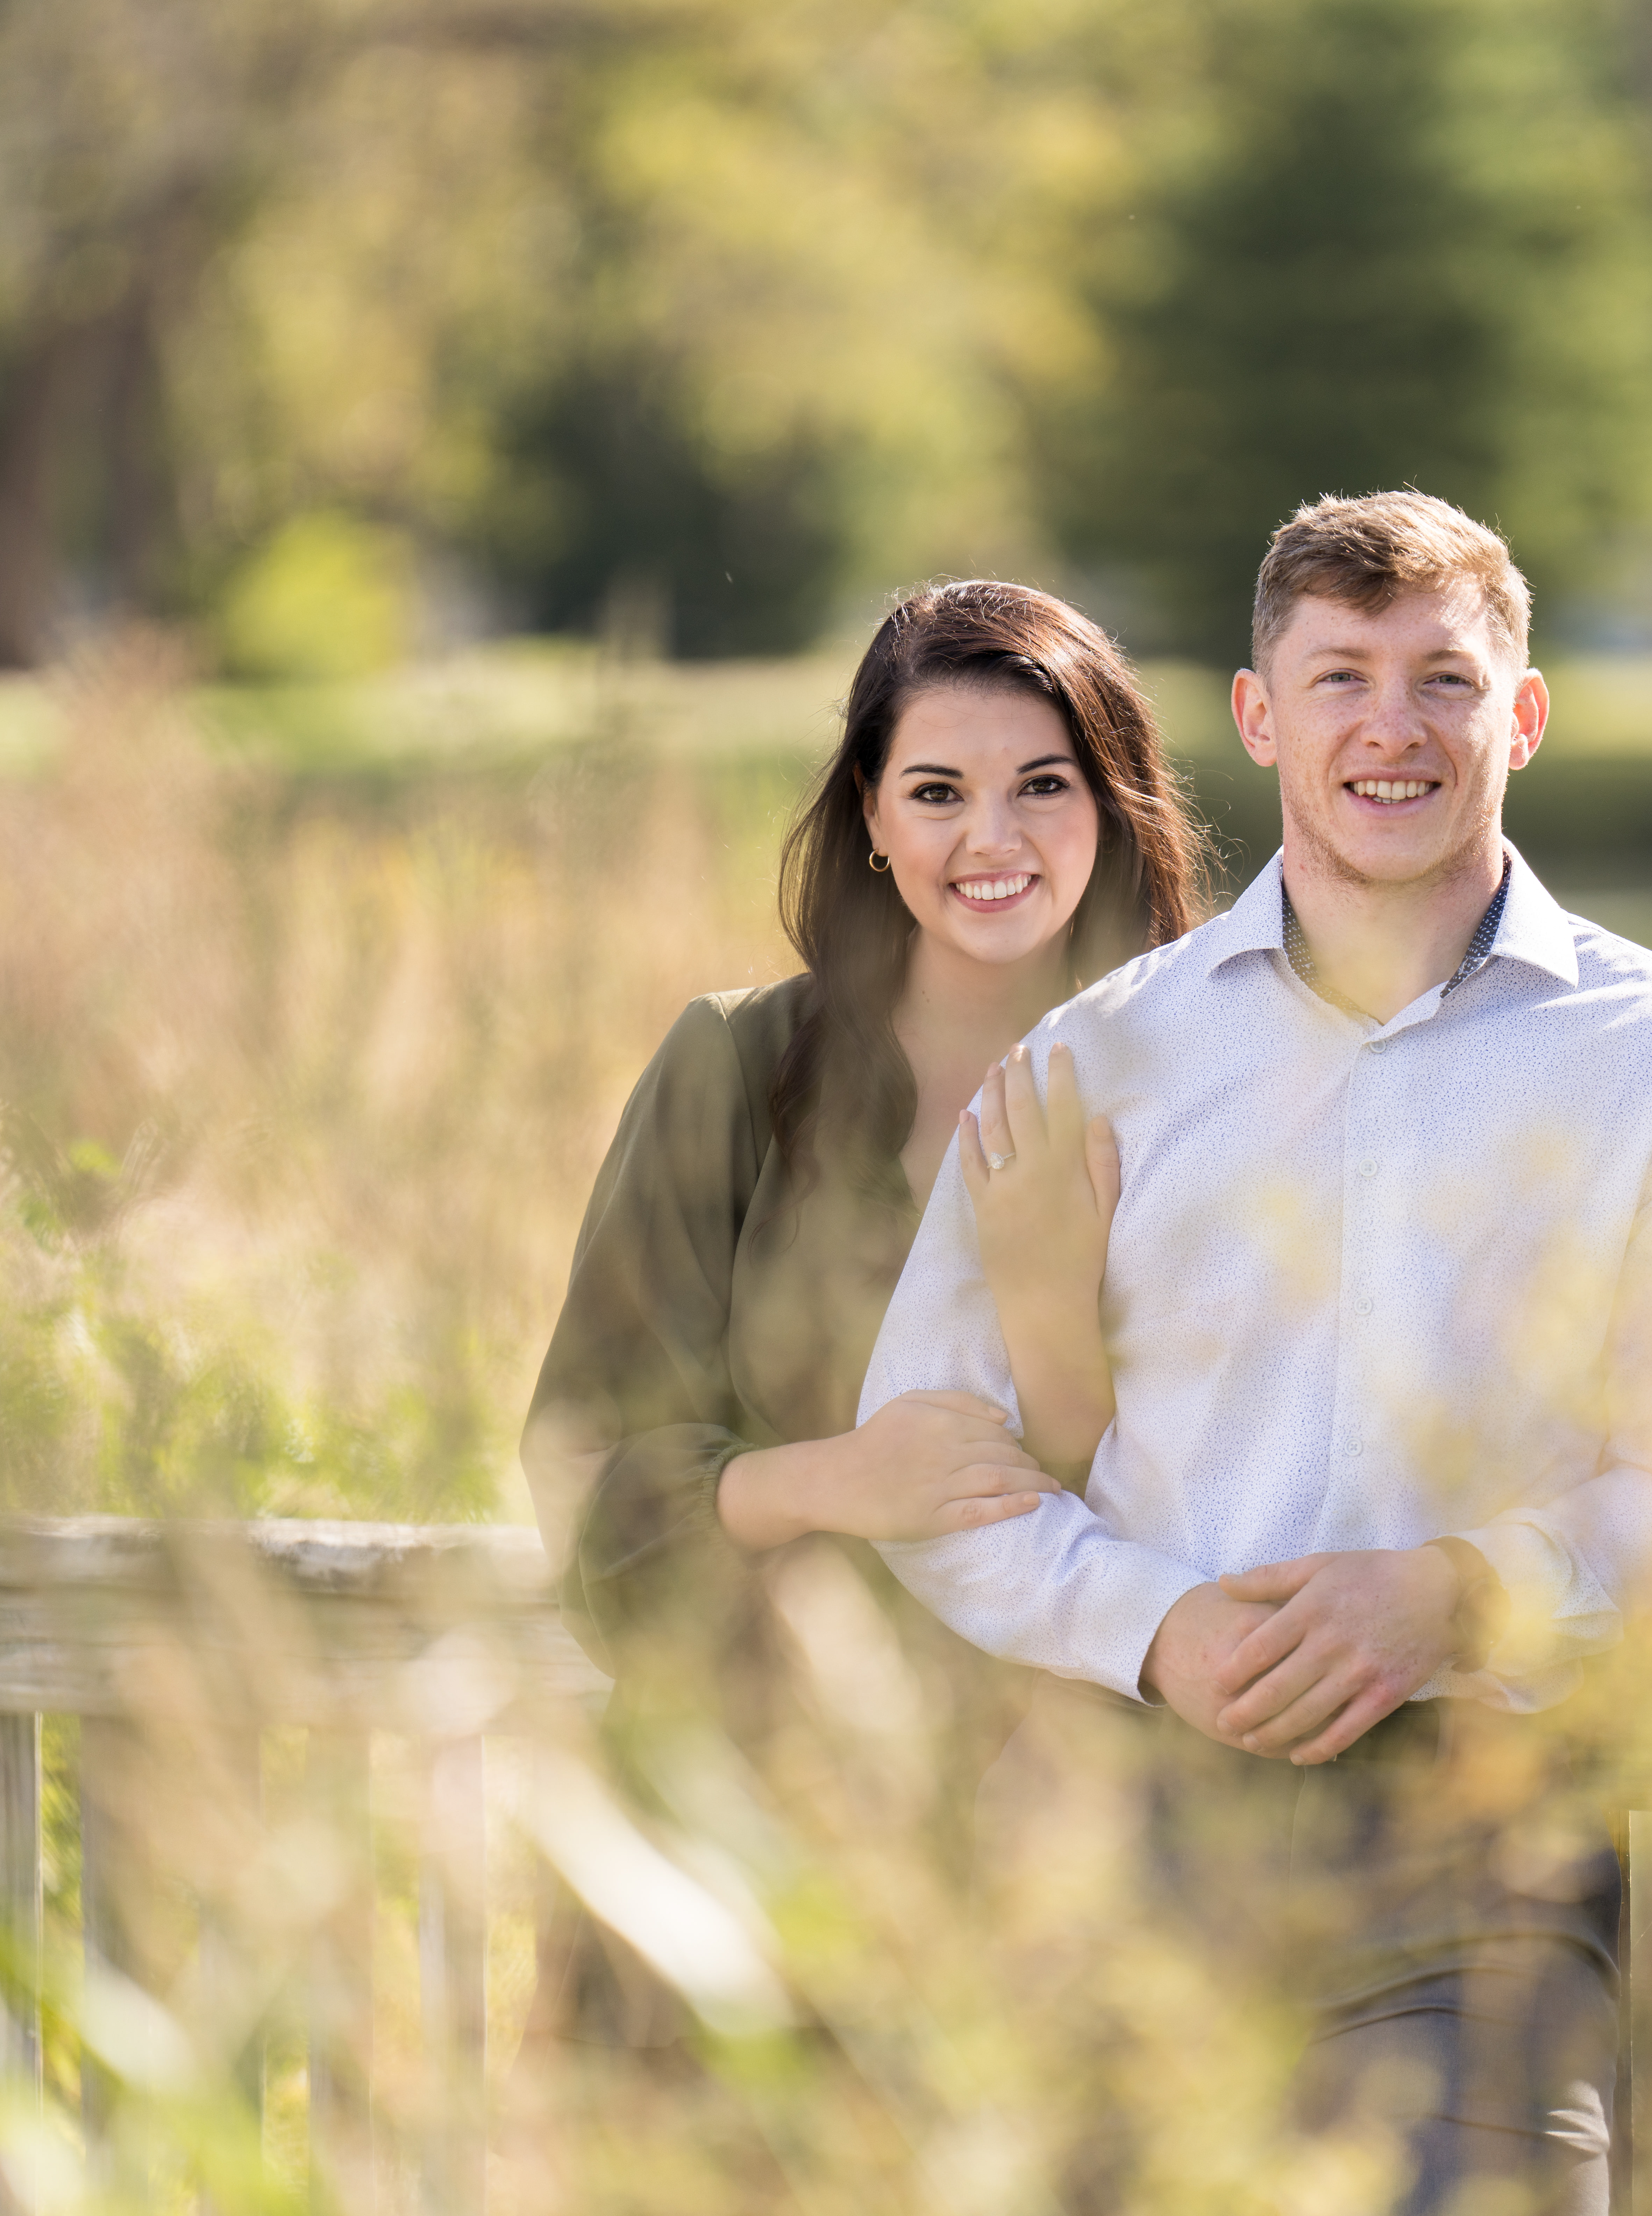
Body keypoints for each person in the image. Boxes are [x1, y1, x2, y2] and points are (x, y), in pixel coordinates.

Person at [860, 493, 1652, 2211]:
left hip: (1489, 1869)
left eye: (1444, 680)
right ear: (1260, 715)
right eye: (1341, 677)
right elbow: (927, 1456)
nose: (1392, 727)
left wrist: (1454, 1594)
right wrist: (1149, 1629)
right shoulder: (1102, 1059)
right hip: (1129, 1851)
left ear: (1520, 717)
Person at [519, 578, 1210, 2037]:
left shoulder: (1206, 1100)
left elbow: (1221, 1503)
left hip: (1067, 1882)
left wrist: (1043, 1310)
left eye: (1044, 785)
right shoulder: (737, 1071)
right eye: (938, 791)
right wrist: (841, 1481)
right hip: (726, 1842)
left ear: (1118, 805)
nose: (993, 838)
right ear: (874, 822)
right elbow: (594, 1477)